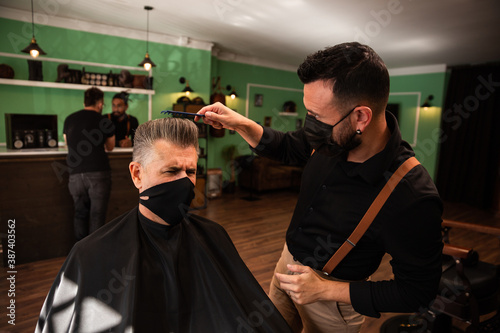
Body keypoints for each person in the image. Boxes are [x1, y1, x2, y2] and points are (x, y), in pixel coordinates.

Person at [197, 42, 443, 332]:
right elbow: (289, 146)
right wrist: (239, 124)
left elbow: (417, 291)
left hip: (333, 303)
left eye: (317, 116)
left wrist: (325, 290)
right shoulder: (333, 137)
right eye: (308, 113)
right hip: (287, 265)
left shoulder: (411, 194)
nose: (309, 124)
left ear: (360, 117)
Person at [36, 117, 293, 333]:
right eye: (171, 172)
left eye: (190, 172)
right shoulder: (89, 253)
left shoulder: (214, 236)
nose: (185, 183)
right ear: (137, 174)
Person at [63, 87, 115, 241]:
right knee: (97, 216)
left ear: (84, 101)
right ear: (100, 104)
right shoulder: (104, 121)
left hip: (75, 174)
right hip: (98, 173)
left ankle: (80, 255)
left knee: (80, 214)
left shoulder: (69, 119)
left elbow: (67, 143)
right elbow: (110, 147)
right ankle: (95, 256)